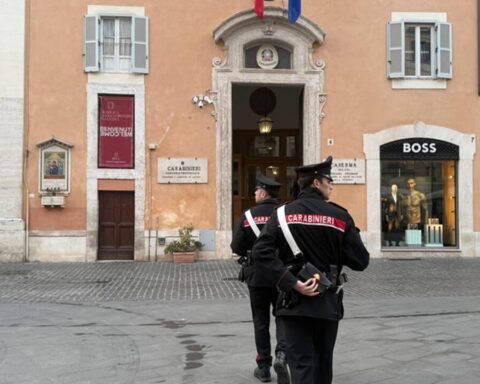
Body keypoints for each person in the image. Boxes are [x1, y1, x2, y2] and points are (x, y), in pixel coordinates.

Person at [252, 156, 370, 384]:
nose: (332, 184)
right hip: (327, 303)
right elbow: (361, 262)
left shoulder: (282, 214)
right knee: (323, 363)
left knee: (301, 365)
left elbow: (260, 253)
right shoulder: (340, 216)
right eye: (329, 180)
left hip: (293, 302)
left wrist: (292, 282)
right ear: (316, 183)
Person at [231, 174, 290, 384]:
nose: (255, 194)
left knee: (260, 321)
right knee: (283, 317)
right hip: (281, 275)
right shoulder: (284, 214)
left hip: (257, 276)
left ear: (263, 193)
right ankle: (282, 355)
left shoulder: (248, 216)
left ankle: (264, 366)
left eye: (256, 191)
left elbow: (236, 246)